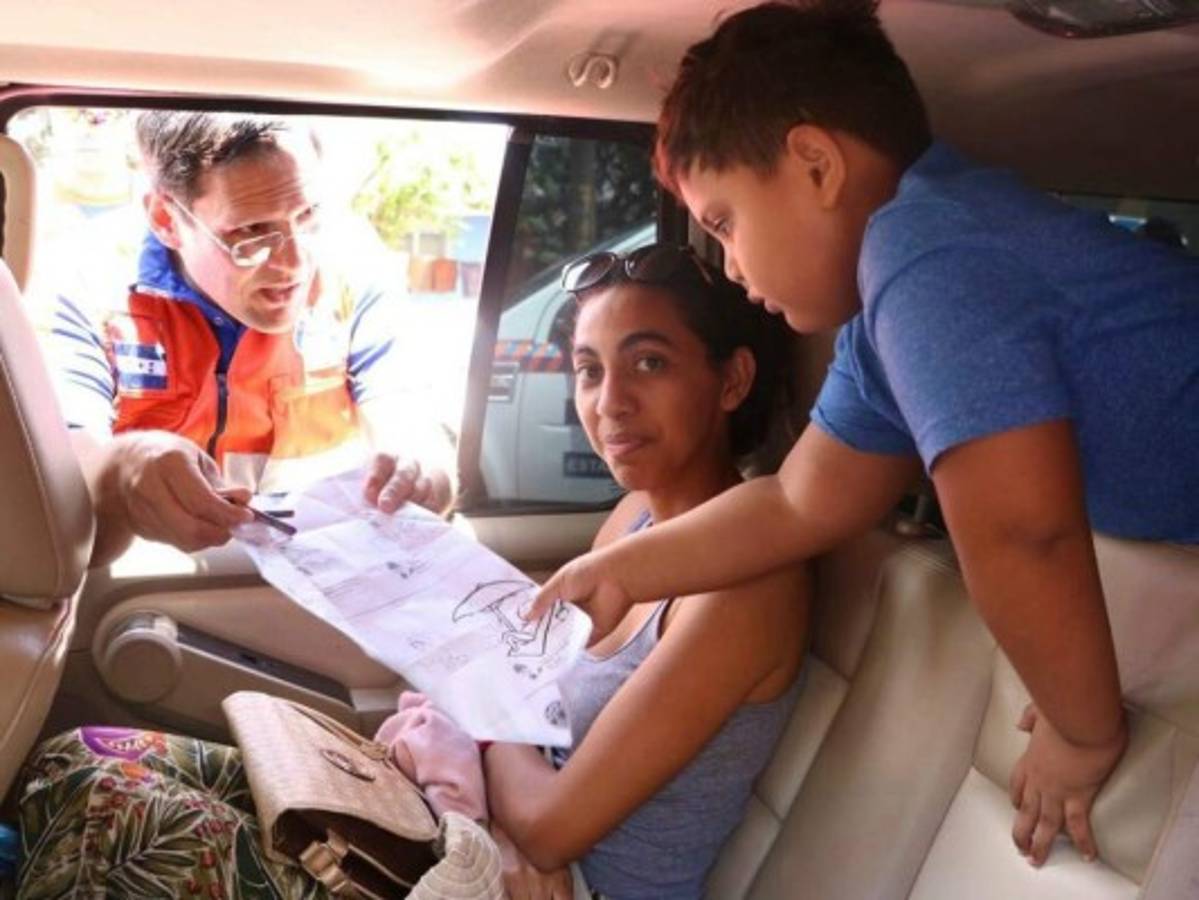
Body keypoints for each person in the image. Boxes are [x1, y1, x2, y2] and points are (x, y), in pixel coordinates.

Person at [529, 0, 1199, 871]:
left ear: (814, 165)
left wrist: (1082, 732)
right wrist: (621, 570)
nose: (728, 264)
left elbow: (1019, 532)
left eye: (725, 222)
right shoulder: (886, 317)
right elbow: (796, 501)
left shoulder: (924, 253)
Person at [14, 244, 806, 900]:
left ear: (731, 381)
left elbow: (549, 827)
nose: (609, 402)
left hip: (554, 882)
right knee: (80, 761)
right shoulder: (634, 522)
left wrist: (479, 718)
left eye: (649, 363)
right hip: (477, 836)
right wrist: (484, 725)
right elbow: (520, 694)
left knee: (113, 827)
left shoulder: (748, 589)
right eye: (589, 369)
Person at [42, 110, 454, 566]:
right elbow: (60, 488)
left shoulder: (355, 270)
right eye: (251, 232)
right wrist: (122, 469)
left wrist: (422, 473)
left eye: (308, 216)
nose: (295, 264)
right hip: (150, 589)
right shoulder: (86, 285)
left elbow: (412, 424)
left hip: (330, 575)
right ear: (166, 219)